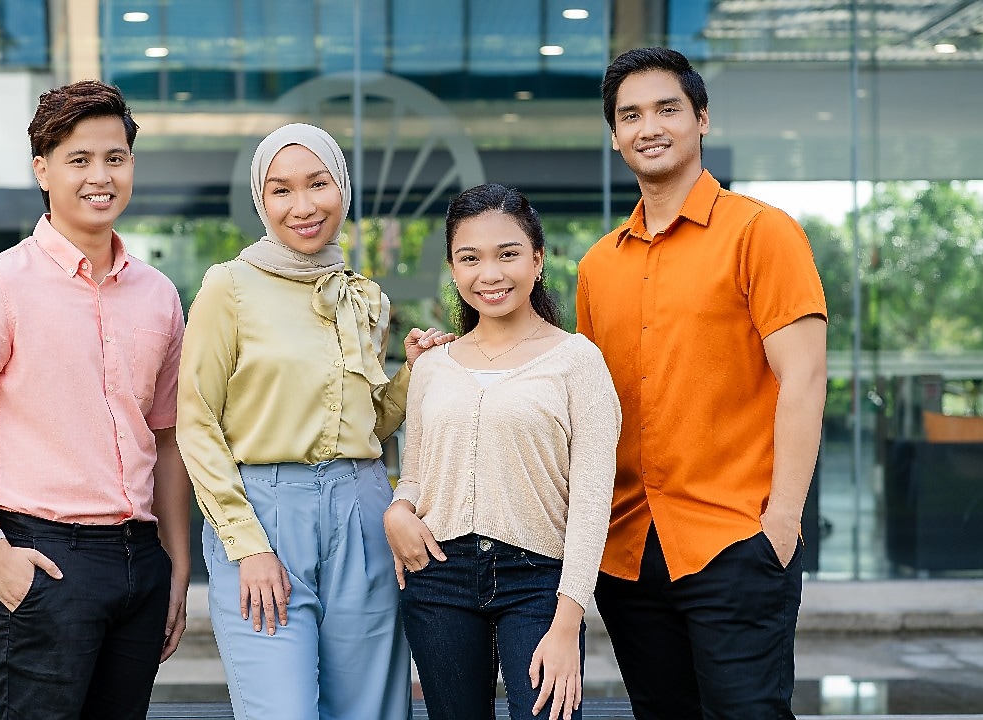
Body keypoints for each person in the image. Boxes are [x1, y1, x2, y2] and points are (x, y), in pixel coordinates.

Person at [0, 80, 191, 720]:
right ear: (43, 169)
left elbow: (168, 439)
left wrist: (174, 571)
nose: (101, 176)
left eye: (115, 158)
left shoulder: (159, 295)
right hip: (43, 559)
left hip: (140, 560)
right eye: (79, 159)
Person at [576, 47, 828, 720]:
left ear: (701, 119)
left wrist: (780, 524)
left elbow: (804, 379)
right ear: (614, 135)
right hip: (628, 550)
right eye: (630, 115)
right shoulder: (600, 265)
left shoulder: (762, 233)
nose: (648, 126)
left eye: (667, 109)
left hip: (734, 540)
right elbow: (585, 403)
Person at [177, 122, 451, 720]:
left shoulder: (363, 296)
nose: (303, 206)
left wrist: (413, 375)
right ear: (261, 199)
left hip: (361, 507)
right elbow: (196, 424)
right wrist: (246, 546)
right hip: (264, 516)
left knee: (371, 711)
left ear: (342, 189)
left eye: (318, 184)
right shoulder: (229, 287)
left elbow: (366, 426)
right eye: (281, 190)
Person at [384, 183, 621, 720]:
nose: (489, 274)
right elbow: (418, 473)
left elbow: (590, 505)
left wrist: (567, 623)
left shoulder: (577, 362)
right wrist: (399, 508)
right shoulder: (434, 365)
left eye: (507, 254)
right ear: (452, 267)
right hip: (438, 574)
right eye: (470, 258)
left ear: (538, 260)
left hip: (539, 582)